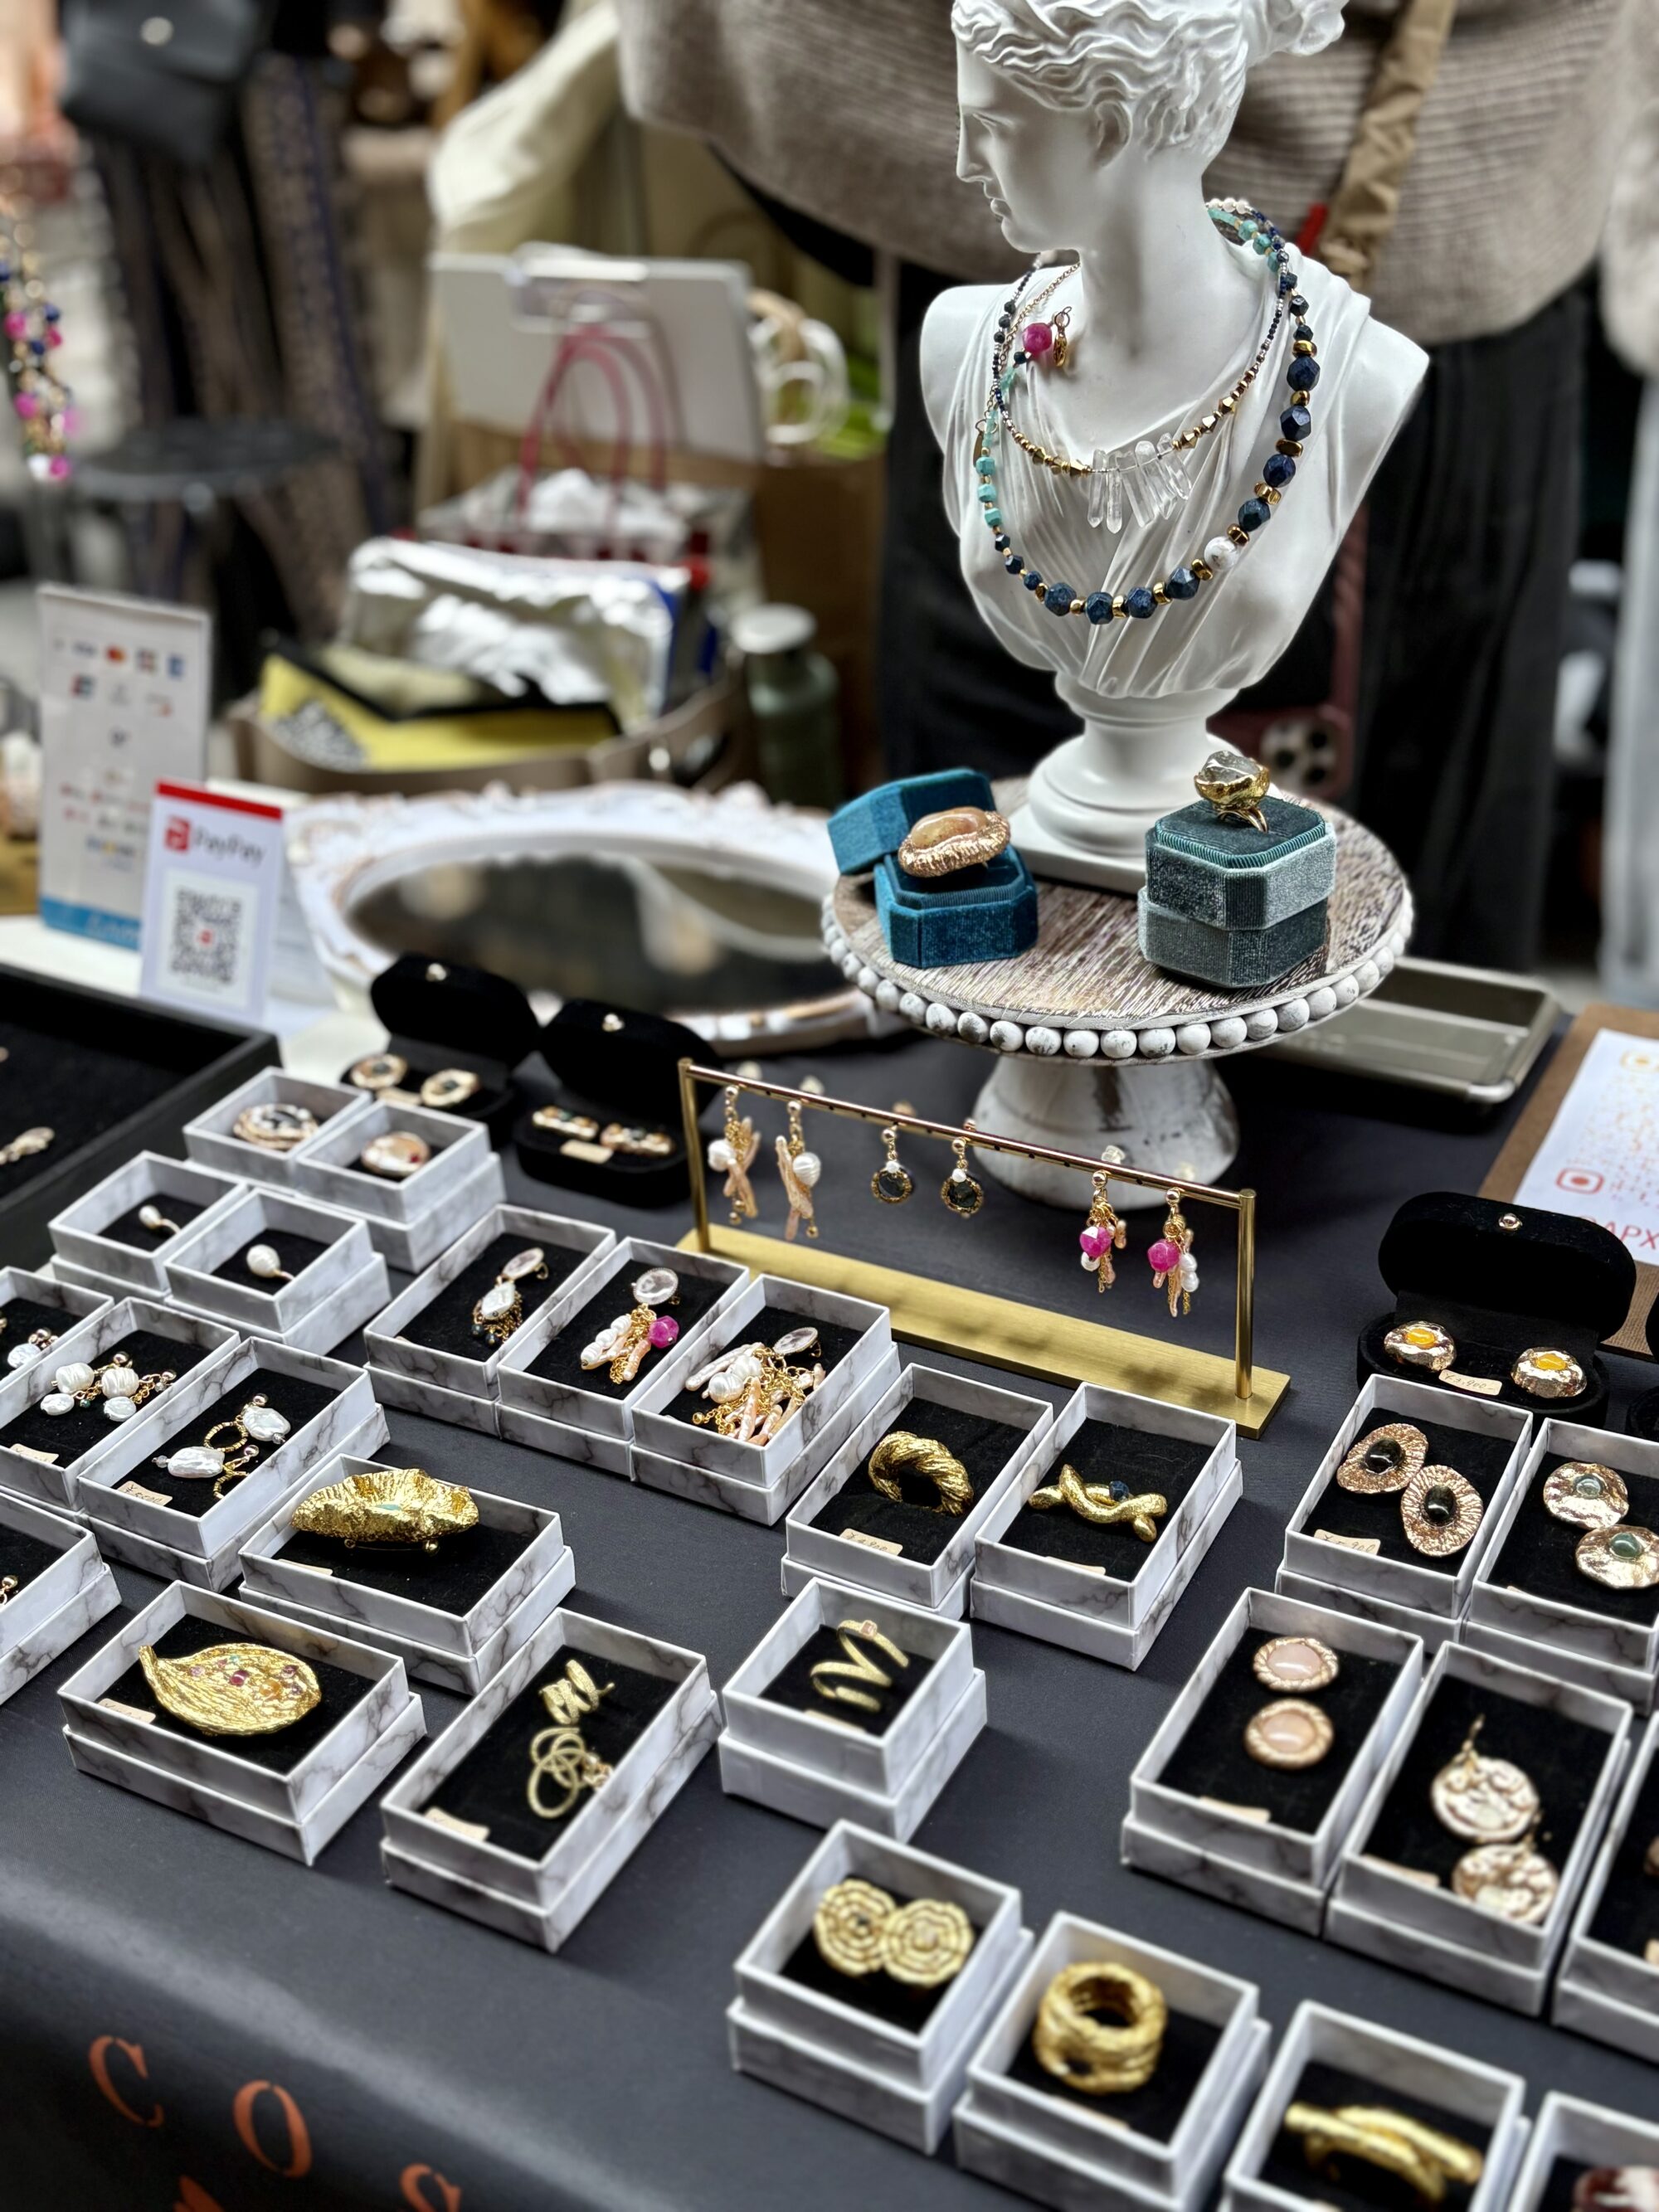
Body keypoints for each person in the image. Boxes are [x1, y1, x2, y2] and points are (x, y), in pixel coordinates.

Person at [615, 0, 1640, 970]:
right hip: (1042, 822)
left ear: (1106, 129)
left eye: (992, 127)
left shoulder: (1349, 372)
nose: (961, 161)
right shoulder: (971, 346)